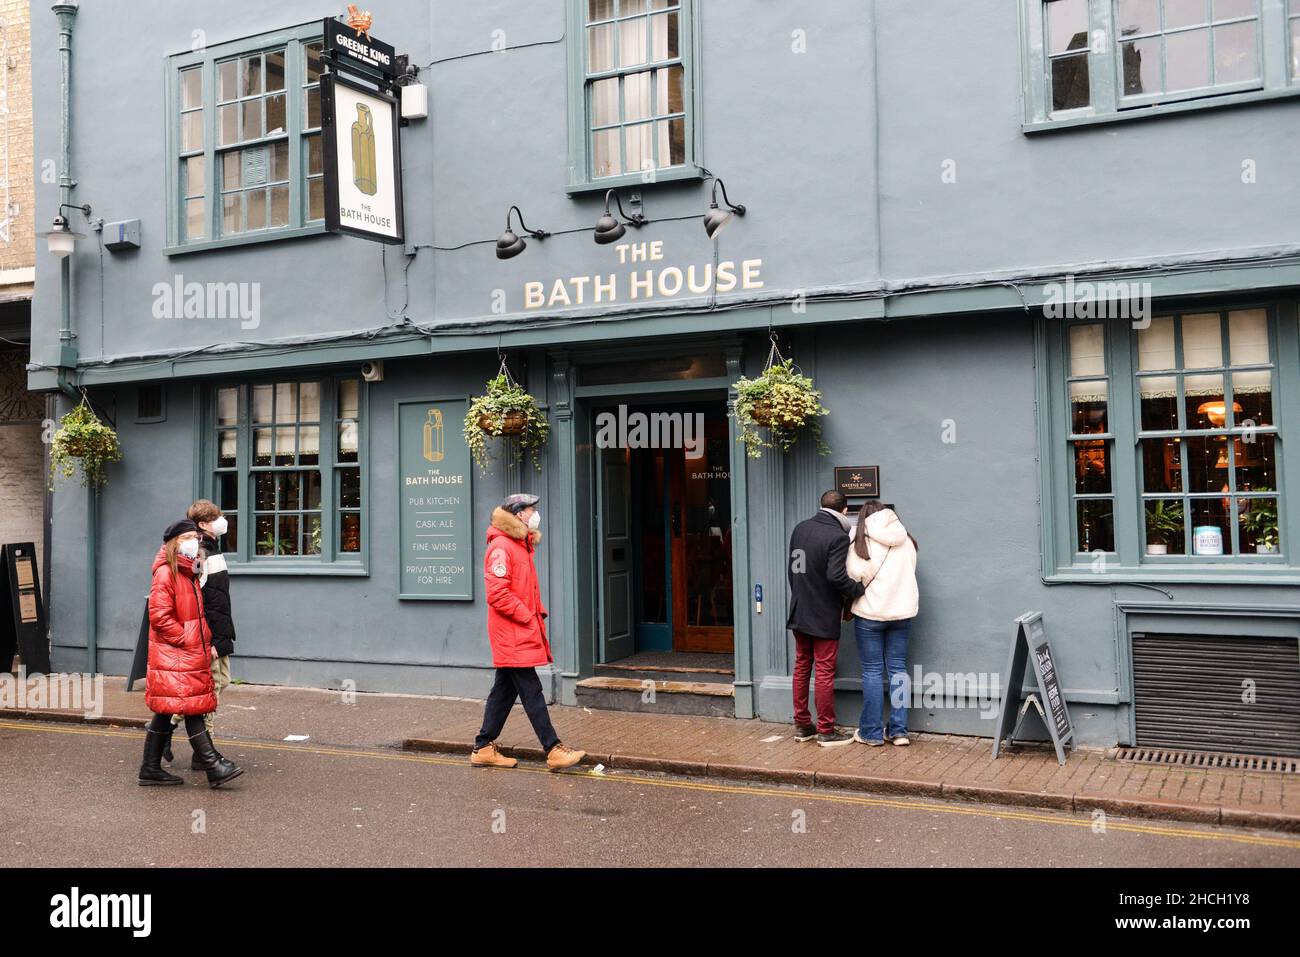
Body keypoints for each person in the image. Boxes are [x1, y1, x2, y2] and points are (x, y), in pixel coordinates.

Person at [470, 494, 586, 771]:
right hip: (512, 632)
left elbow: (526, 589)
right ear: (518, 514)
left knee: (504, 691)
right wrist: (527, 616)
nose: (535, 513)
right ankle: (553, 749)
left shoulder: (519, 546)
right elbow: (497, 594)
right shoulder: (501, 547)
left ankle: (483, 746)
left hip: (518, 629)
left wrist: (538, 612)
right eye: (531, 509)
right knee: (532, 690)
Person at [139, 520, 243, 788]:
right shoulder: (166, 573)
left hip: (186, 651)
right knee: (192, 707)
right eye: (186, 537)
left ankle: (150, 768)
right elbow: (159, 617)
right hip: (176, 654)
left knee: (168, 711)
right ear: (174, 542)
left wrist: (203, 636)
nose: (193, 541)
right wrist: (187, 639)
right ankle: (213, 766)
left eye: (194, 537)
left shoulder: (187, 572)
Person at [786, 490, 865, 747]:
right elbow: (835, 576)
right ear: (844, 511)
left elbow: (793, 570)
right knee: (823, 671)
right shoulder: (837, 535)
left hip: (799, 608)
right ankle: (826, 730)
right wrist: (857, 590)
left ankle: (802, 725)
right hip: (823, 613)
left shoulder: (800, 528)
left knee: (801, 666)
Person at [162, 499, 235, 769]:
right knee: (210, 689)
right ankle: (205, 755)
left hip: (218, 633)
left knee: (221, 682)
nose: (222, 520)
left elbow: (217, 599)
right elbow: (202, 602)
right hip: (210, 637)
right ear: (204, 524)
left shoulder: (212, 548)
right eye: (216, 516)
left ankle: (166, 726)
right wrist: (212, 640)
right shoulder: (201, 551)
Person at [846, 502, 919, 747]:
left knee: (873, 672)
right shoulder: (906, 539)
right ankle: (899, 732)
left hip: (871, 613)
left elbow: (853, 575)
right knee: (898, 669)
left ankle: (872, 733)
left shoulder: (861, 540)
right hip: (902, 613)